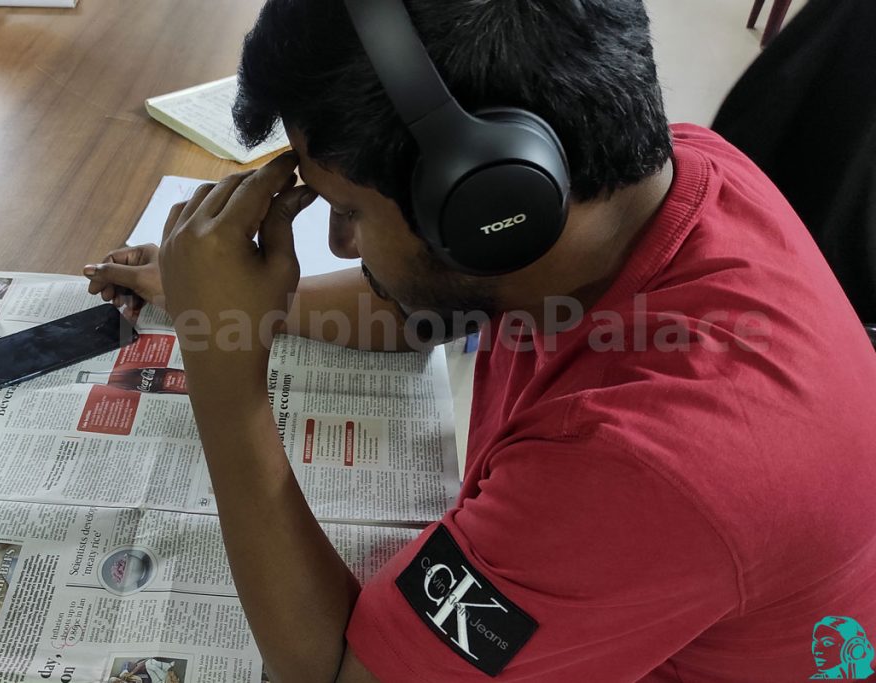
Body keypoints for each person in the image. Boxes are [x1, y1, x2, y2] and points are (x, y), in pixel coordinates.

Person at [84, 0, 876, 680]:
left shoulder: (644, 467)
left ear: (491, 202)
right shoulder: (660, 174)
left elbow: (335, 669)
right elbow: (416, 307)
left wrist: (223, 372)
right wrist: (232, 303)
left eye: (350, 212)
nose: (344, 243)